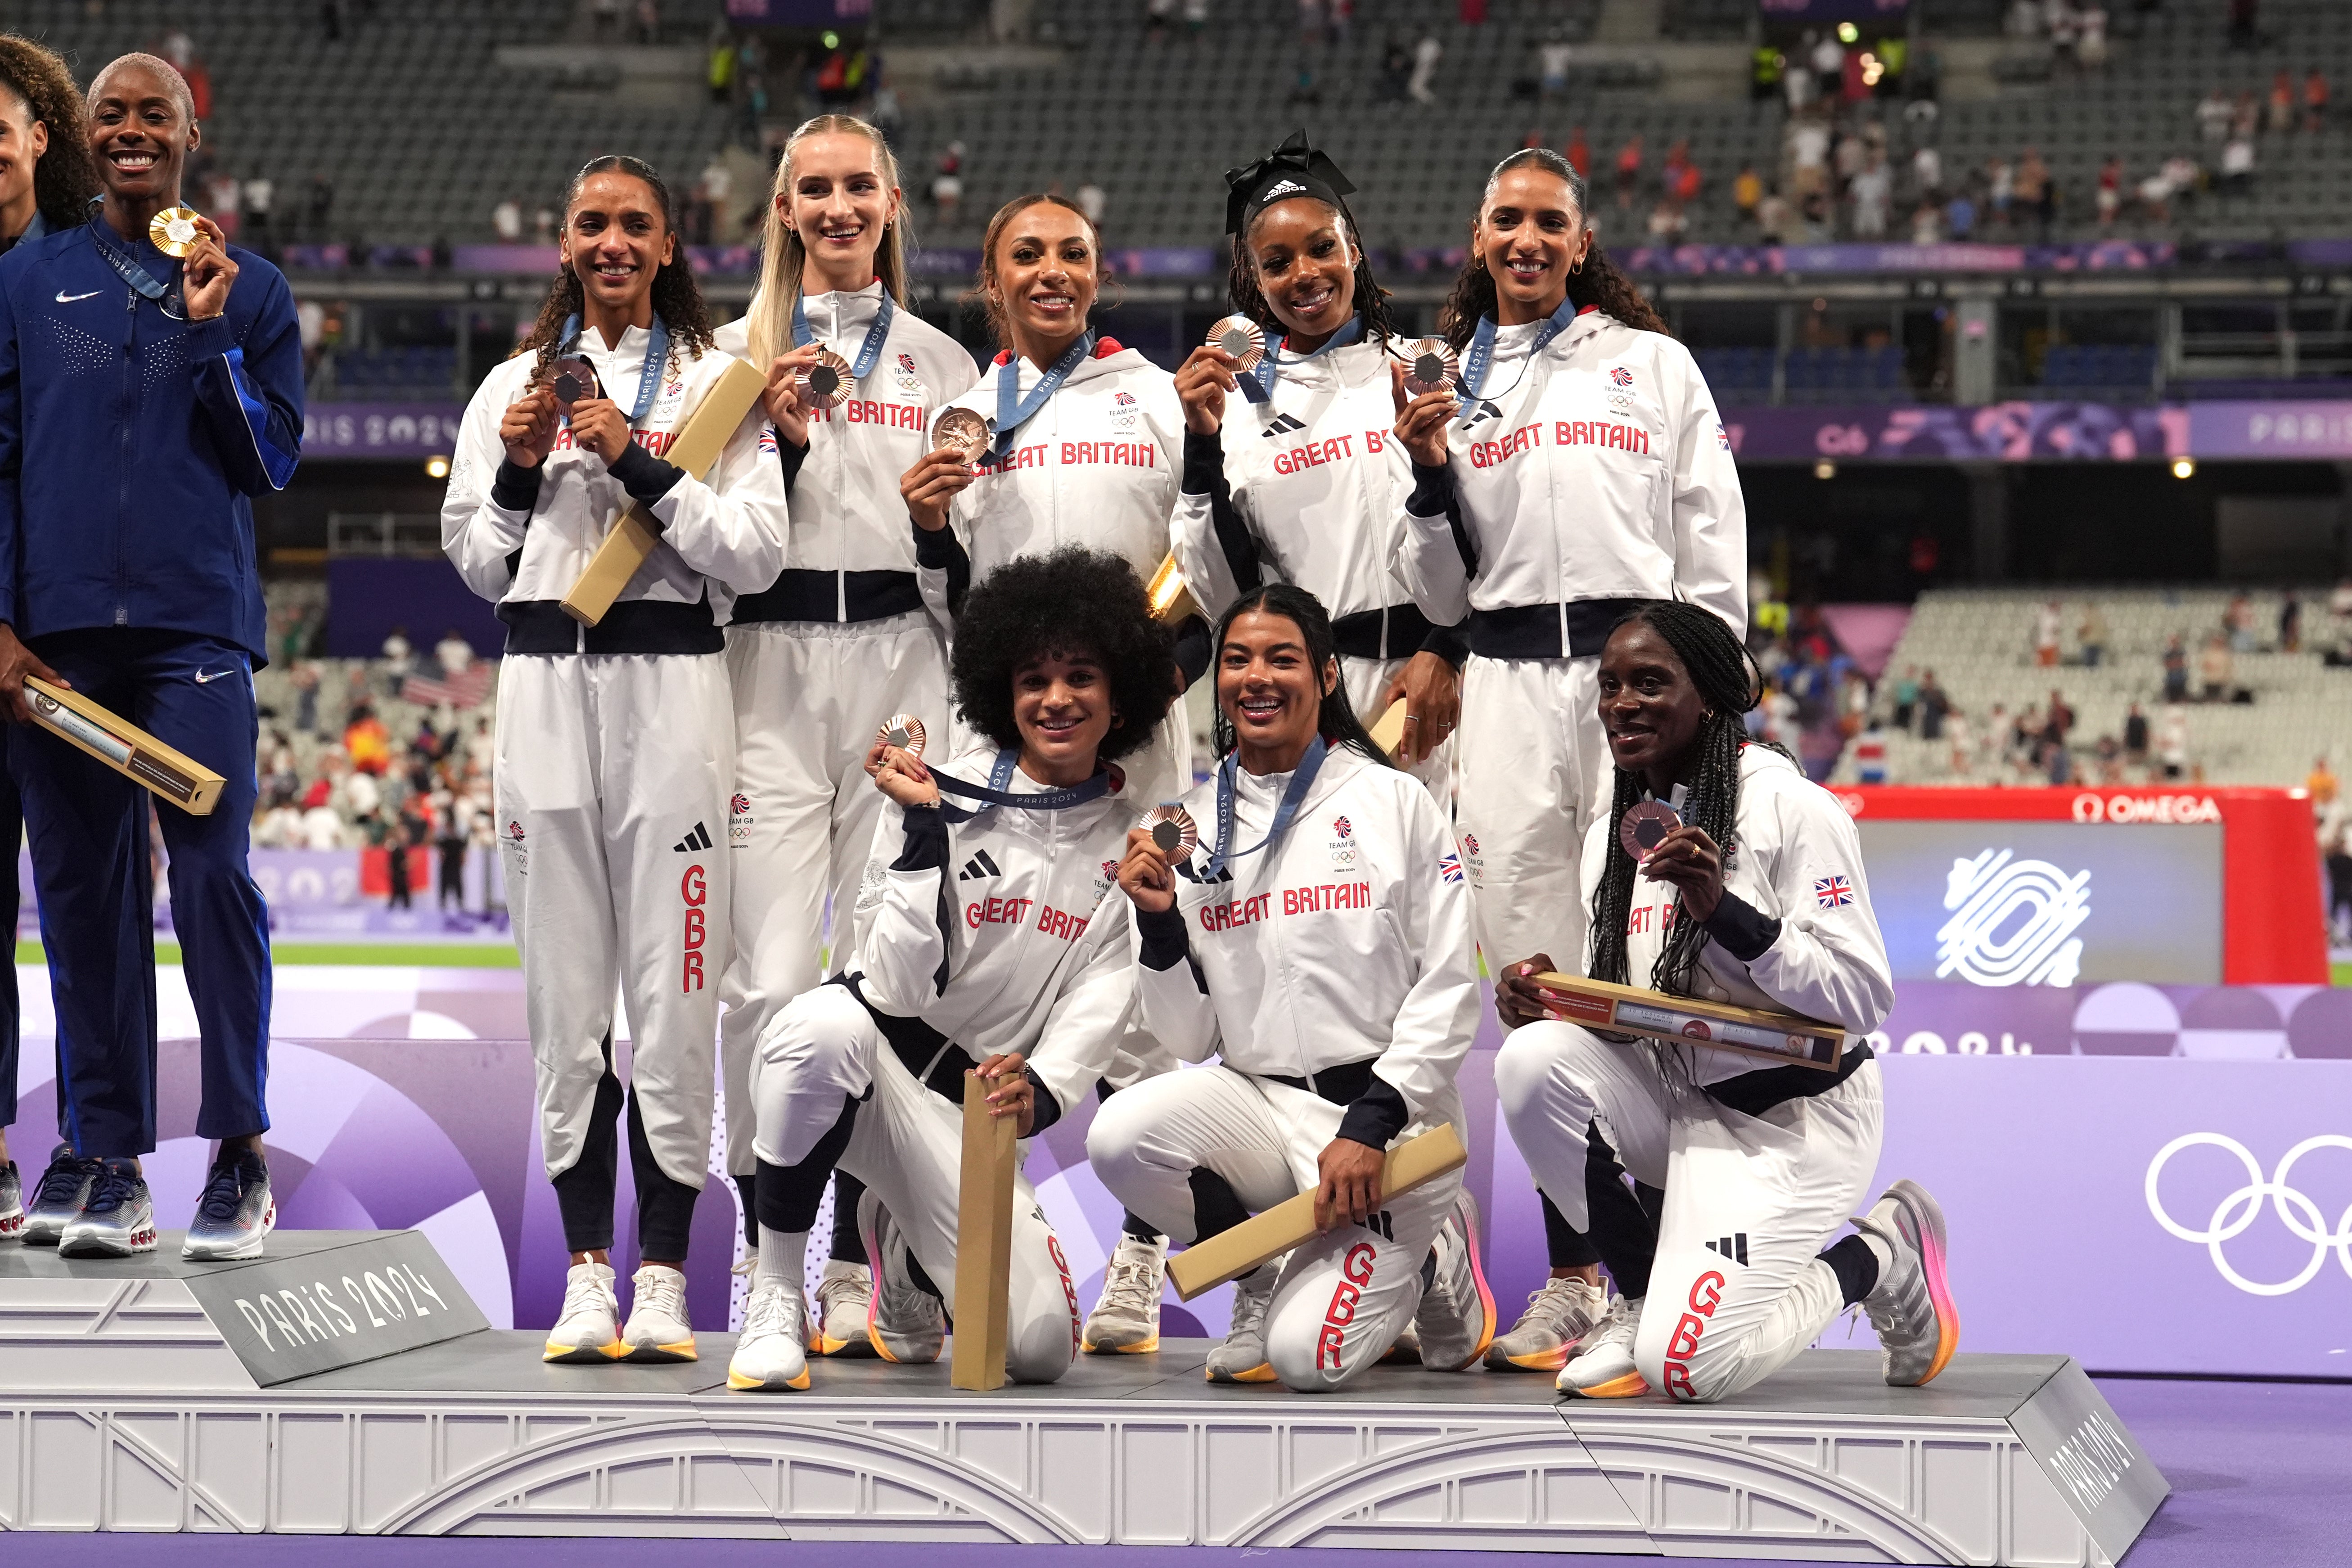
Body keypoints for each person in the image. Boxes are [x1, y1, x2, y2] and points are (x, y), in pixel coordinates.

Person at [1391, 146, 1745, 1371]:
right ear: (1478, 239)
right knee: (1536, 987)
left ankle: (1680, 1258)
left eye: (1548, 221)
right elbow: (1435, 585)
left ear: (1581, 240)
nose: (1527, 239)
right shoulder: (1440, 381)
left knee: (1647, 966)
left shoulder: (1651, 367)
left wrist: (1719, 693)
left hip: (1637, 688)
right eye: (1505, 221)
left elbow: (1710, 530)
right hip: (1500, 689)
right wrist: (1429, 467)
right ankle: (1576, 1273)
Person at [441, 154, 788, 1365]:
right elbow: (479, 565)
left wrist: (643, 457)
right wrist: (526, 469)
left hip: (672, 687)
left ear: (668, 243)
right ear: (563, 240)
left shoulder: (716, 386)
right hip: (540, 689)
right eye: (591, 222)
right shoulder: (503, 391)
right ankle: (586, 1271)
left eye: (634, 223)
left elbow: (753, 553)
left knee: (676, 992)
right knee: (564, 1000)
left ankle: (663, 1275)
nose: (611, 241)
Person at [725, 548, 1171, 1392]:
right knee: (810, 1028)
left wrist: (1042, 1086)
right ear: (1002, 693)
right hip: (872, 1066)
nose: (1056, 700)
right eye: (1034, 679)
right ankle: (779, 1292)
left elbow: (1103, 1002)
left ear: (1120, 700)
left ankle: (902, 1254)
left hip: (969, 1115)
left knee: (1035, 1351)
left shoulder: (1130, 842)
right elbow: (890, 985)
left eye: (1082, 677)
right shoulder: (937, 792)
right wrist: (926, 832)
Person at [1492, 601, 1952, 1402]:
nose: (1621, 704)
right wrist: (1555, 997)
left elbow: (1863, 996)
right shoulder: (1617, 830)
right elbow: (1648, 1010)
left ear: (1707, 695)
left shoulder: (1790, 807)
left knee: (1689, 1370)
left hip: (1794, 1123)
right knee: (1531, 1061)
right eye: (1609, 687)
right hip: (1683, 1108)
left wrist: (1727, 915)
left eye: (1648, 683)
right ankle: (1635, 1298)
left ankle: (1879, 1256)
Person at [0, 52, 300, 1261]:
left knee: (213, 877)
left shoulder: (254, 288)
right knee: (81, 898)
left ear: (188, 137)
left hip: (194, 636)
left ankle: (240, 1155)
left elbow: (267, 461)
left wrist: (212, 336)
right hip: (62, 639)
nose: (132, 132)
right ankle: (109, 1160)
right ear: (92, 134)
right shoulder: (28, 279)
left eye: (155, 116)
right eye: (113, 113)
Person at [711, 114, 980, 1355]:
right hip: (763, 667)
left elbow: (968, 555)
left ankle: (877, 1256)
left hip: (901, 667)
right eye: (812, 189)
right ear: (782, 209)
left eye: (856, 186)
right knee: (761, 980)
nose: (835, 207)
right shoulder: (727, 357)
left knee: (898, 972)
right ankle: (769, 1244)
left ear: (891, 202)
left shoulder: (944, 365)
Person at [1090, 584, 1496, 1388]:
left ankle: (1437, 1245)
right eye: (1237, 660)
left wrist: (1373, 1124)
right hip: (1263, 1109)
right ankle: (1263, 1279)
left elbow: (1451, 986)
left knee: (1303, 1362)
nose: (1256, 678)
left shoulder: (1393, 801)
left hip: (1392, 1127)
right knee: (1121, 1138)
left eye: (1282, 658)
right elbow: (1187, 1041)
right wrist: (1161, 923)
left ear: (1329, 676)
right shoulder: (1194, 825)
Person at [1170, 131, 1462, 800]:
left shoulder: (1428, 369)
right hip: (1318, 697)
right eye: (1277, 262)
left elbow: (1497, 538)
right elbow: (1221, 595)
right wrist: (1199, 447)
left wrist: (1450, 648)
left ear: (1352, 249)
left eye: (1321, 247)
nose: (1303, 273)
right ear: (1255, 280)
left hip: (1447, 681)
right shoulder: (1232, 409)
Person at [0, 32, 106, 1237]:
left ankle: (93, 1142)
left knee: (88, 906)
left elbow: (99, 444)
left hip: (70, 637)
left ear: (42, 133)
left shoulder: (90, 278)